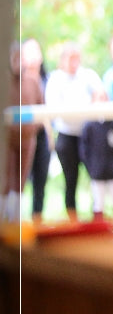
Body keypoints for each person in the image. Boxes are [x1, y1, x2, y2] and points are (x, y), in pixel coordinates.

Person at [44, 42, 104, 222]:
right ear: (62, 60)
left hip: (88, 135)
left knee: (97, 175)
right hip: (66, 136)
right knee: (71, 180)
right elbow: (52, 108)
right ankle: (73, 220)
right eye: (70, 58)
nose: (74, 62)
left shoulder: (88, 75)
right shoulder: (55, 79)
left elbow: (100, 94)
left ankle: (98, 218)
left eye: (77, 57)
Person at [3, 42, 44, 223]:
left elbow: (41, 109)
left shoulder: (33, 82)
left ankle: (16, 219)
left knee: (21, 181)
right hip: (6, 141)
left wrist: (32, 128)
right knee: (6, 180)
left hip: (28, 140)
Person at [78, 89, 113, 227]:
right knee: (98, 203)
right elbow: (84, 150)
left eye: (105, 98)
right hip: (97, 173)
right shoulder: (89, 125)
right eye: (99, 98)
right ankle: (98, 232)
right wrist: (92, 168)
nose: (102, 101)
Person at [20, 38, 51, 225]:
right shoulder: (18, 81)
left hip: (43, 137)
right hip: (23, 136)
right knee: (20, 182)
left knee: (41, 182)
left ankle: (37, 221)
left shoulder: (48, 80)